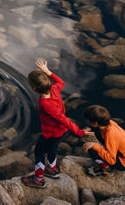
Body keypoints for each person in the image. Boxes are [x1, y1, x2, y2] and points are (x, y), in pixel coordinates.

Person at [21, 59, 86, 188]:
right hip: (59, 132)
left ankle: (39, 179)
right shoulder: (54, 89)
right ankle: (52, 169)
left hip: (50, 133)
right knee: (52, 148)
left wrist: (80, 132)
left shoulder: (46, 105)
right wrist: (47, 71)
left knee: (39, 152)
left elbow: (63, 119)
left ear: (34, 88)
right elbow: (61, 82)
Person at [83, 105, 125, 177]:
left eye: (89, 120)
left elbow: (111, 160)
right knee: (95, 132)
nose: (87, 122)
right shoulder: (108, 123)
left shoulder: (111, 134)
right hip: (120, 153)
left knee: (91, 150)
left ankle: (107, 169)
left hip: (124, 163)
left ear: (96, 123)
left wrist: (95, 146)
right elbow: (97, 129)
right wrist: (90, 130)